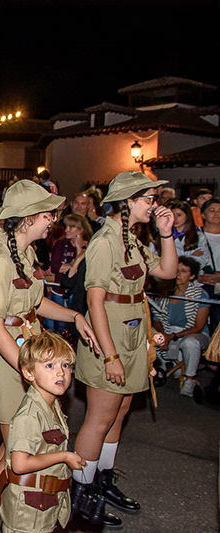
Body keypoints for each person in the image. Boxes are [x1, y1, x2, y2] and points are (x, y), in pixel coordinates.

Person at [0, 180, 98, 533]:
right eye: (48, 215)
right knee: (14, 457)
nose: (53, 221)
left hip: (28, 355)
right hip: (10, 361)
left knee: (10, 453)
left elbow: (34, 303)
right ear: (26, 218)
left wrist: (74, 315)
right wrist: (31, 372)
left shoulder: (23, 253)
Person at [71, 172, 176, 529]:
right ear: (129, 202)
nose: (155, 205)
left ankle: (102, 482)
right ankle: (81, 496)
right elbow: (95, 300)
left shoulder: (132, 237)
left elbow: (166, 270)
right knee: (99, 418)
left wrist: (166, 234)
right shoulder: (106, 241)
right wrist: (110, 356)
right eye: (148, 199)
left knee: (120, 411)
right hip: (110, 334)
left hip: (133, 330)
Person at [0, 331, 85, 533]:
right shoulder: (29, 416)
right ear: (29, 373)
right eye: (49, 366)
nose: (60, 373)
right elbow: (20, 464)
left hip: (44, 504)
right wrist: (64, 456)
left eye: (66, 365)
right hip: (27, 516)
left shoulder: (53, 403)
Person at [152, 256, 211, 396]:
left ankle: (190, 379)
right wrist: (162, 337)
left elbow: (198, 328)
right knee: (149, 334)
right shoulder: (164, 293)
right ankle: (158, 368)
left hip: (194, 334)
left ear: (192, 276)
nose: (178, 274)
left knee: (191, 342)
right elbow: (157, 320)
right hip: (169, 332)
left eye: (183, 271)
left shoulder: (200, 294)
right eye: (176, 270)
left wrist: (170, 336)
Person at [59, 214, 93, 344]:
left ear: (81, 229)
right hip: (76, 303)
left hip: (86, 305)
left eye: (71, 227)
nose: (66, 230)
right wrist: (78, 256)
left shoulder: (92, 249)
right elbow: (67, 281)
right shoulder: (66, 245)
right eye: (66, 226)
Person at [197, 198, 220, 333]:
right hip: (201, 287)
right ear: (203, 214)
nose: (217, 214)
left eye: (219, 211)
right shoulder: (195, 236)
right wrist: (197, 277)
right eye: (212, 210)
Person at [166, 199, 210, 269]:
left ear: (187, 216)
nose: (175, 218)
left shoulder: (198, 235)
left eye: (179, 215)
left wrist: (179, 259)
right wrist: (190, 257)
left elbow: (203, 260)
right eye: (172, 215)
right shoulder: (165, 234)